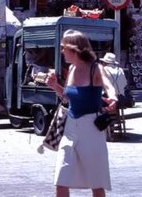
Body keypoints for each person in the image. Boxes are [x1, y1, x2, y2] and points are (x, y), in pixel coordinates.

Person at [46, 30, 117, 197]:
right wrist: (55, 86)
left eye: (64, 47)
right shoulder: (71, 69)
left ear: (75, 49)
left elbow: (108, 85)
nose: (62, 51)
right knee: (61, 181)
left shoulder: (96, 68)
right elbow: (68, 98)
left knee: (97, 183)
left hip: (91, 129)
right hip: (70, 129)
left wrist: (112, 97)